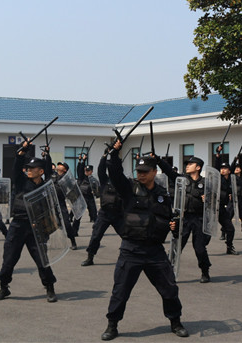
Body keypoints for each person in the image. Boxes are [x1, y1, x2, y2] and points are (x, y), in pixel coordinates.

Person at [100, 140, 188, 341]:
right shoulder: (129, 190)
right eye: (138, 170)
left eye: (145, 171)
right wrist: (114, 153)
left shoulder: (163, 195)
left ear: (154, 172)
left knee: (170, 288)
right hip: (131, 250)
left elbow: (166, 217)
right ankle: (112, 324)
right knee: (120, 291)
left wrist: (171, 226)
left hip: (155, 251)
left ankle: (175, 321)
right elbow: (114, 172)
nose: (140, 174)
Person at [0, 141, 58, 303]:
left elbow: (49, 209)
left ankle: (49, 287)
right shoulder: (22, 182)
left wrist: (47, 229)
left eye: (32, 168)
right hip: (18, 225)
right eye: (27, 168)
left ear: (41, 171)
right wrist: (20, 153)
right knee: (9, 258)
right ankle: (4, 287)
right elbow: (16, 169)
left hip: (36, 228)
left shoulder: (46, 187)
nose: (28, 170)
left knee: (42, 260)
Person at [159, 156, 212, 283]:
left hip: (199, 219)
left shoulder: (205, 183)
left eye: (190, 164)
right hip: (184, 218)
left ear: (198, 167)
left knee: (199, 248)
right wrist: (159, 161)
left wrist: (207, 200)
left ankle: (205, 271)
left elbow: (214, 202)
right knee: (177, 245)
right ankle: (169, 271)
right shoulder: (182, 180)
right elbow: (169, 172)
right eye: (187, 164)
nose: (187, 166)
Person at [81, 150, 124, 266]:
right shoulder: (105, 180)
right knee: (96, 236)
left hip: (118, 214)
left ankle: (131, 257)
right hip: (104, 213)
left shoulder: (123, 182)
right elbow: (101, 169)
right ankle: (90, 257)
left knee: (127, 235)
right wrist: (104, 156)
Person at [215, 146, 238, 255]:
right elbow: (216, 167)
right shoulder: (218, 178)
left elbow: (233, 168)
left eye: (225, 169)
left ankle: (229, 247)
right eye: (221, 168)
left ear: (229, 171)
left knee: (230, 229)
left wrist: (235, 160)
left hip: (221, 208)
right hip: (213, 207)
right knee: (205, 235)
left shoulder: (230, 180)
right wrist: (218, 154)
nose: (222, 170)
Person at [51, 161, 78, 250]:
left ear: (65, 170)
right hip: (50, 203)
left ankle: (73, 241)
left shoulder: (66, 179)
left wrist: (75, 202)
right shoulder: (53, 176)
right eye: (58, 165)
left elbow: (72, 191)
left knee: (66, 223)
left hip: (61, 203)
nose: (58, 166)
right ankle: (42, 243)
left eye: (61, 165)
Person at [230, 164, 242, 240]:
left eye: (238, 167)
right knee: (227, 218)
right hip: (232, 200)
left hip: (241, 200)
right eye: (235, 168)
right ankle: (223, 233)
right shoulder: (232, 178)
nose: (237, 169)